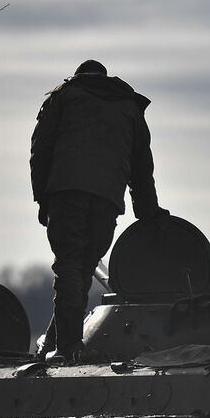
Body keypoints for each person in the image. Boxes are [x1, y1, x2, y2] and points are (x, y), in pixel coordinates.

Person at [30, 59, 166, 362]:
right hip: (107, 200)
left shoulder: (63, 96)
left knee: (68, 267)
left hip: (66, 195)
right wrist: (147, 211)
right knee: (82, 268)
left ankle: (65, 348)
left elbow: (40, 150)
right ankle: (59, 341)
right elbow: (142, 165)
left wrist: (42, 200)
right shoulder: (129, 106)